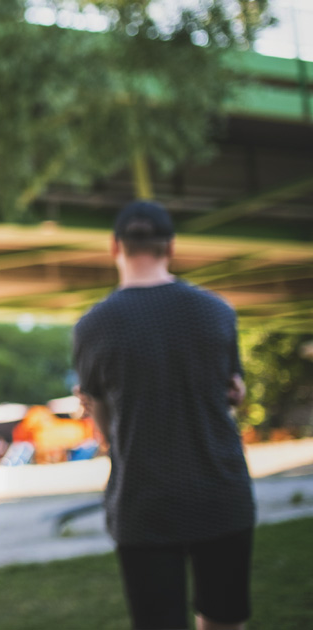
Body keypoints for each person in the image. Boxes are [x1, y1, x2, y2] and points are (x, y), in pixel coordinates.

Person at [72, 200, 255, 630]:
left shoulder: (93, 325)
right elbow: (232, 392)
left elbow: (103, 425)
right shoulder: (218, 311)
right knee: (224, 620)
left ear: (115, 247)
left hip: (143, 501)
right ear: (170, 248)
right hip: (221, 494)